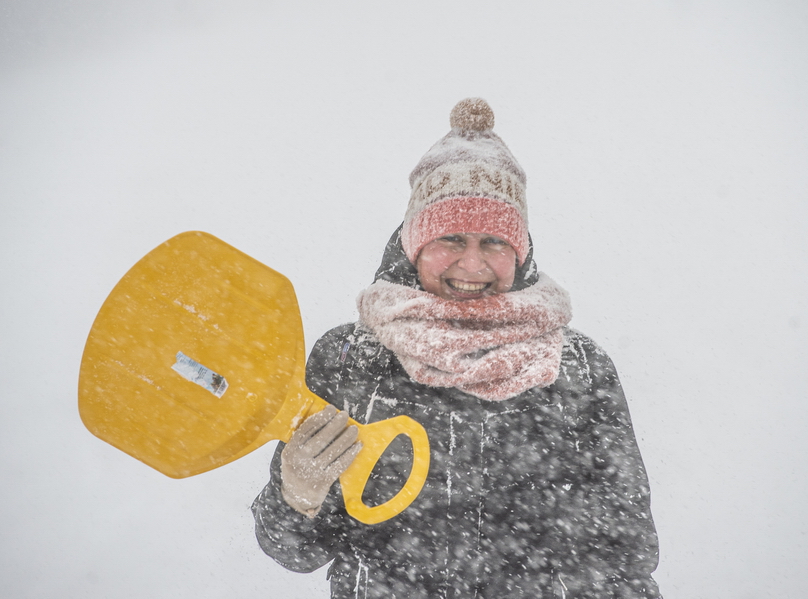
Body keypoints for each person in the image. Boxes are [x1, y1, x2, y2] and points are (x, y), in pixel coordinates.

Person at [252, 98, 662, 598]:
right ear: (414, 245)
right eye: (450, 238)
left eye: (494, 242)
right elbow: (294, 552)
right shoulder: (349, 359)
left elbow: (624, 558)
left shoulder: (575, 368)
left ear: (520, 252)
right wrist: (296, 495)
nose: (472, 265)